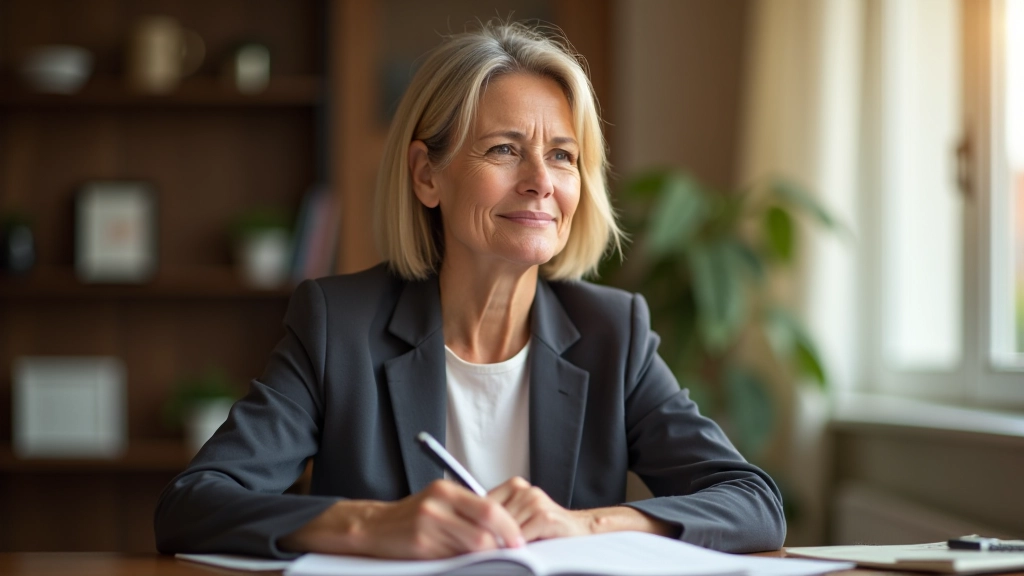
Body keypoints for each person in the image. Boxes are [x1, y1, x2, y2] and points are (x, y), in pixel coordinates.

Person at [153, 21, 786, 560]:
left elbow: (754, 504)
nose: (541, 181)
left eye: (563, 156)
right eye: (505, 149)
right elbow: (194, 504)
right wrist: (370, 524)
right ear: (427, 175)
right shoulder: (338, 326)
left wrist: (586, 526)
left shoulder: (612, 332)